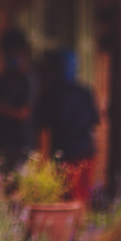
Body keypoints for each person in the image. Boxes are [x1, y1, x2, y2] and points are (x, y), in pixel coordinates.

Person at [37, 49, 99, 207]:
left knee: (66, 200)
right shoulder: (83, 93)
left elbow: (44, 132)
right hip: (82, 154)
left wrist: (43, 161)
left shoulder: (51, 94)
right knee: (80, 199)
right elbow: (94, 125)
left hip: (67, 156)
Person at [0, 28, 34, 174]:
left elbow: (23, 113)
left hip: (20, 147)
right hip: (1, 144)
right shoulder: (1, 79)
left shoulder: (27, 79)